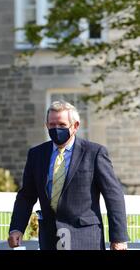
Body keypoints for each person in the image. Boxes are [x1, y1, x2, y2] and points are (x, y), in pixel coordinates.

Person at [8, 101, 129, 250]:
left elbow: (114, 196)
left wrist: (118, 238)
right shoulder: (36, 155)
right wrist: (16, 228)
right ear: (46, 125)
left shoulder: (94, 153)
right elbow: (26, 196)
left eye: (62, 125)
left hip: (85, 238)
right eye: (52, 125)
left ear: (75, 126)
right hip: (50, 238)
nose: (56, 129)